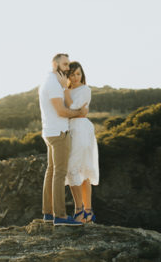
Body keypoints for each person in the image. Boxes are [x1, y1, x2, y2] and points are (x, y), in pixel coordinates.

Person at [38, 53, 88, 226]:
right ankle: (59, 216)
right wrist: (78, 113)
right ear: (55, 64)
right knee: (59, 173)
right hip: (58, 132)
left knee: (51, 171)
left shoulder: (51, 81)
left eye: (68, 65)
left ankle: (48, 213)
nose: (68, 68)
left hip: (50, 131)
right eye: (65, 64)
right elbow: (61, 111)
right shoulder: (53, 83)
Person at [63, 61, 99, 223]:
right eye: (72, 74)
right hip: (71, 130)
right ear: (67, 75)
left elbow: (75, 109)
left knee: (77, 169)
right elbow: (73, 112)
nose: (75, 77)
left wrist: (65, 94)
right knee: (77, 169)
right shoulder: (66, 90)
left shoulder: (85, 90)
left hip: (81, 130)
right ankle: (87, 212)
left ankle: (81, 211)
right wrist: (73, 112)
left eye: (78, 74)